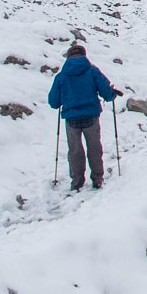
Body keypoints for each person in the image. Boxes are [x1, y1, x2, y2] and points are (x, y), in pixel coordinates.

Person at [48, 45, 123, 190]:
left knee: (75, 150)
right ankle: (97, 179)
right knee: (94, 147)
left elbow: (53, 102)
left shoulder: (61, 76)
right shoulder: (92, 70)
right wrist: (112, 94)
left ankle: (76, 182)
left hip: (71, 119)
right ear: (84, 55)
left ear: (69, 56)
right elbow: (106, 92)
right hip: (91, 116)